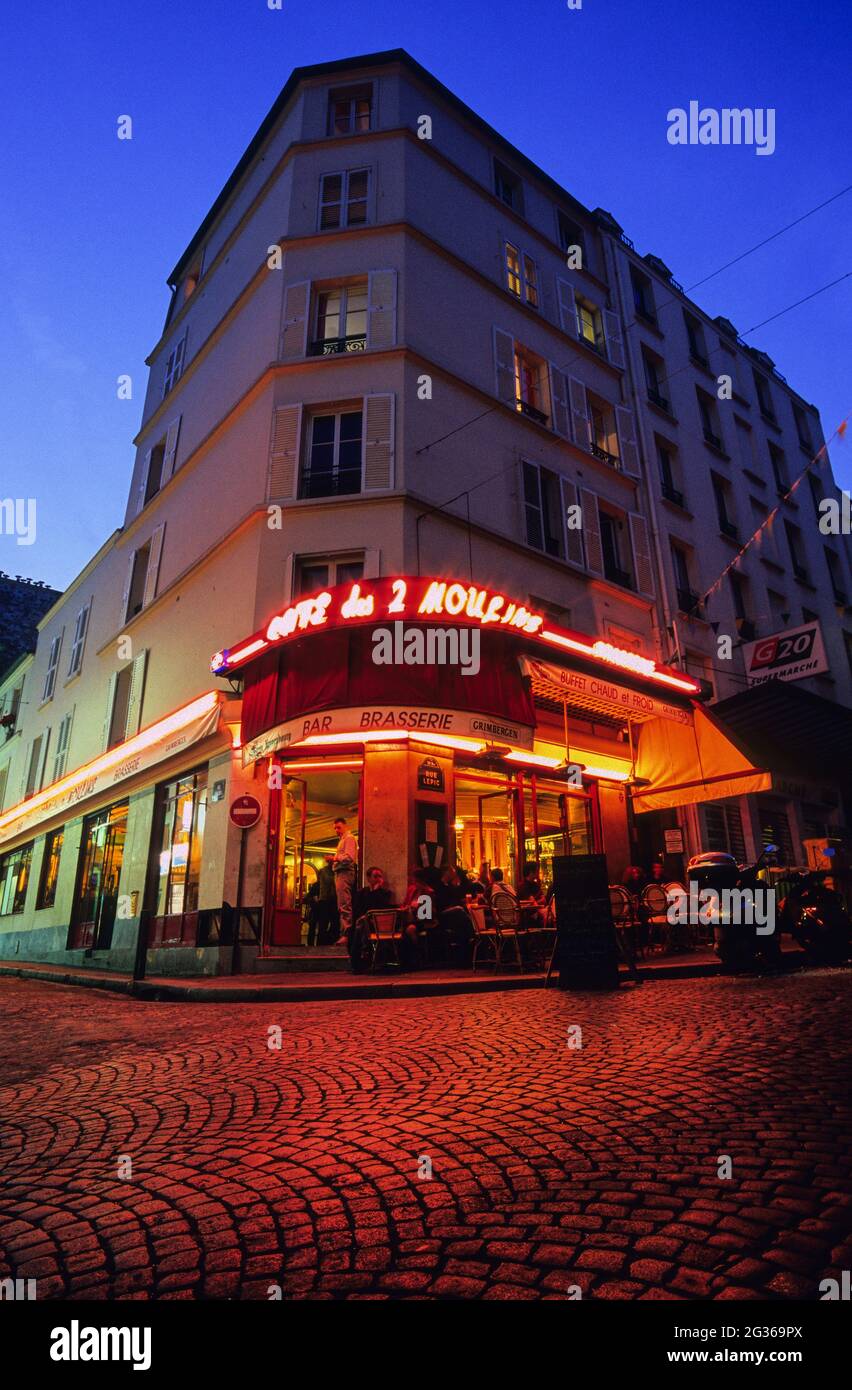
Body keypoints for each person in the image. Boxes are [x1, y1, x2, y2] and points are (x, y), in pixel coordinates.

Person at [349, 865, 394, 972]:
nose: (378, 879)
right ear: (369, 878)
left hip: (379, 925)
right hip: (363, 923)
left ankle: (364, 957)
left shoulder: (385, 894)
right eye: (375, 876)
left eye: (380, 876)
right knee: (357, 928)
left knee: (361, 927)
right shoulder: (361, 893)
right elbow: (358, 909)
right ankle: (358, 962)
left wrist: (376, 892)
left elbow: (381, 908)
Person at [331, 816, 358, 947]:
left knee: (344, 904)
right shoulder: (343, 839)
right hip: (341, 873)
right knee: (342, 904)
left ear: (345, 826)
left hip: (345, 873)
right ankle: (345, 933)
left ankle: (347, 934)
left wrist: (335, 858)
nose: (336, 830)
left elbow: (349, 858)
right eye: (335, 828)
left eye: (339, 827)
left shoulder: (349, 838)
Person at [314, 855, 338, 944]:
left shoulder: (335, 871)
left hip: (333, 899)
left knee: (334, 922)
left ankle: (330, 940)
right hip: (325, 899)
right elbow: (326, 883)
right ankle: (322, 942)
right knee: (324, 923)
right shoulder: (324, 871)